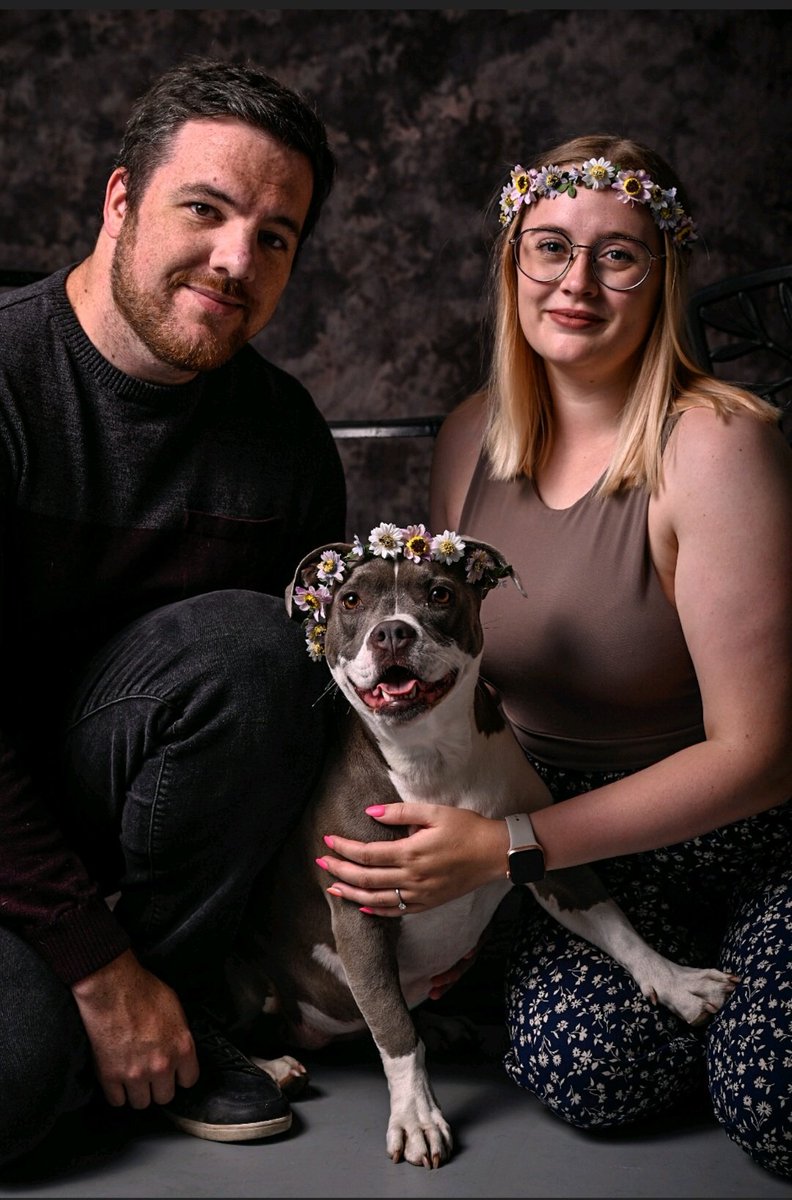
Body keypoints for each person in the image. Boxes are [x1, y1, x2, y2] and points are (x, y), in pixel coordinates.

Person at [315, 134, 792, 1179]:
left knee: (776, 1100)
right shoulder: (468, 437)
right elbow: (437, 668)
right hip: (554, 851)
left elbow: (762, 755)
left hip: (737, 839)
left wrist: (506, 846)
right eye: (549, 248)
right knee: (591, 1071)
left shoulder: (720, 441)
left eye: (618, 255)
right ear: (511, 266)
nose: (577, 281)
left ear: (661, 277)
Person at [0, 56, 346, 1166]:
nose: (237, 259)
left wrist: (355, 930)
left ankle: (177, 1004)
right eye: (206, 209)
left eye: (277, 235)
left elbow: (296, 724)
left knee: (264, 647)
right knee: (20, 1078)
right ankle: (121, 1018)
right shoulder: (7, 380)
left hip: (107, 808)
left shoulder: (283, 435)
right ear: (120, 201)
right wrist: (98, 974)